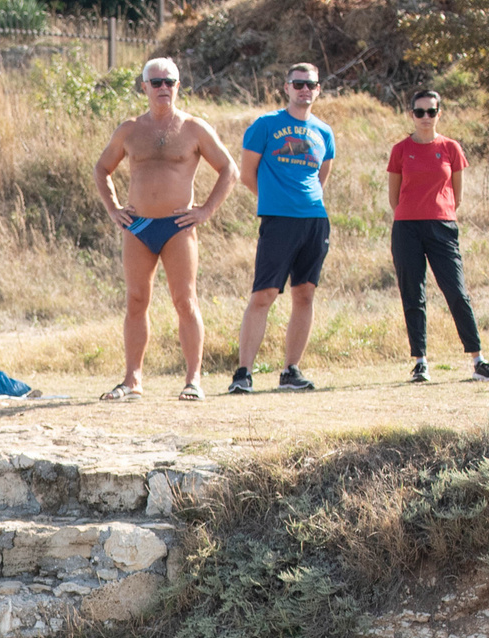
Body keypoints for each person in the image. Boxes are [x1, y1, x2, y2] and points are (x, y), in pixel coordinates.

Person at [92, 56, 235, 403]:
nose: (163, 88)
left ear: (178, 86)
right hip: (137, 226)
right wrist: (113, 209)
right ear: (144, 87)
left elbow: (229, 168)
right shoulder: (129, 129)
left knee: (185, 300)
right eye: (156, 82)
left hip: (177, 226)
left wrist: (206, 210)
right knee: (136, 300)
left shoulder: (193, 128)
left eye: (169, 81)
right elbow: (102, 168)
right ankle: (132, 380)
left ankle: (193, 379)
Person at [231, 63, 336, 396]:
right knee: (264, 294)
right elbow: (247, 174)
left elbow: (322, 176)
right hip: (278, 221)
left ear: (318, 89)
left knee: (304, 293)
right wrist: (276, 201)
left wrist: (303, 205)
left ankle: (291, 371)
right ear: (287, 88)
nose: (305, 90)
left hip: (314, 220)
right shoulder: (266, 125)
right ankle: (243, 373)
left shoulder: (324, 132)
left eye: (311, 85)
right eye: (298, 84)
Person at [386, 90, 489, 385]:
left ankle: (477, 360)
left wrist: (441, 213)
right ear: (411, 114)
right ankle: (420, 362)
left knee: (457, 291)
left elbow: (457, 194)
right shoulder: (401, 149)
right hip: (407, 228)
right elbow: (393, 196)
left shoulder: (450, 147)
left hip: (442, 226)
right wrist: (411, 214)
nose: (426, 117)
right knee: (413, 293)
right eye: (420, 112)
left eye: (431, 111)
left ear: (440, 114)